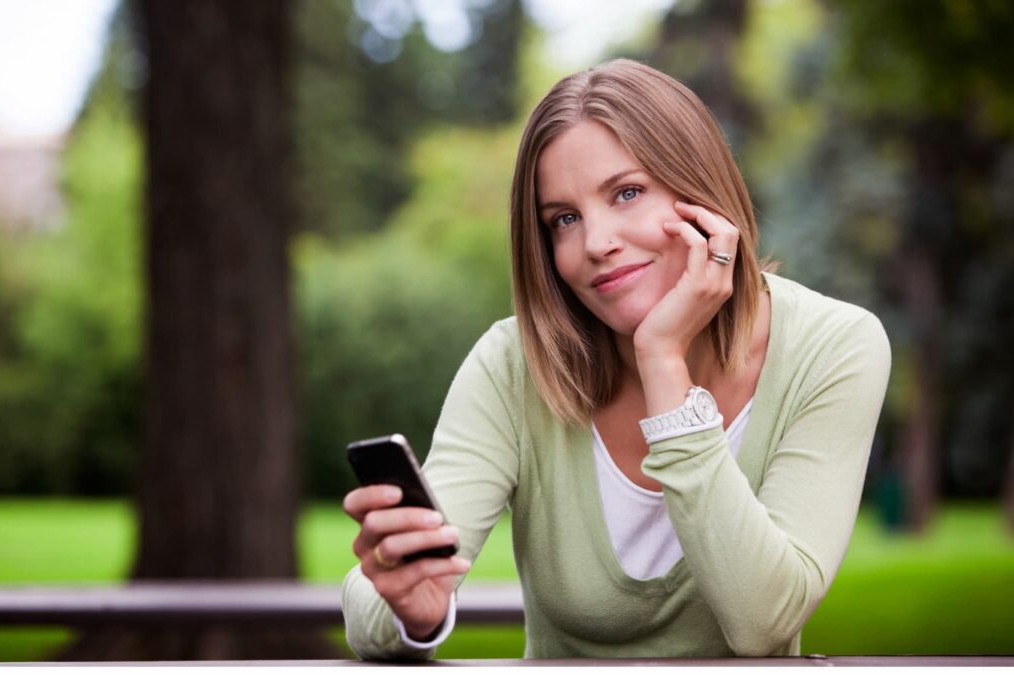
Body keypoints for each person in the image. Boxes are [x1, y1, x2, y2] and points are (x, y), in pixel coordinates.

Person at [340, 59, 891, 659]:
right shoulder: (513, 363)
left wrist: (662, 360)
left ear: (700, 189)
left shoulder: (834, 347)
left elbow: (762, 621)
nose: (596, 242)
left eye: (627, 193)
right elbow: (375, 610)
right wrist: (410, 611)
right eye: (564, 220)